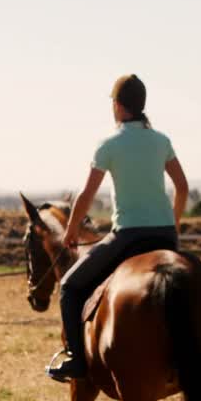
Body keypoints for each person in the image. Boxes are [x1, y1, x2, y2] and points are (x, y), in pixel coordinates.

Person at [47, 74, 190, 381]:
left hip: (128, 236)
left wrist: (71, 230)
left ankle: (77, 361)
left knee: (70, 289)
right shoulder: (162, 141)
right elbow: (182, 187)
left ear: (119, 107)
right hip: (165, 235)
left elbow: (86, 195)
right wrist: (173, 224)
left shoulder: (108, 145)